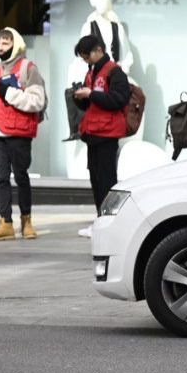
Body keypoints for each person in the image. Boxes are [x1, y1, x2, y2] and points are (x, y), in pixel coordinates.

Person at [0, 27, 47, 241]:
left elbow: (38, 101)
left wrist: (9, 93)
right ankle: (5, 222)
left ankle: (26, 221)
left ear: (15, 45)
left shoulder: (28, 68)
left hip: (19, 132)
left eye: (5, 43)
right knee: (1, 179)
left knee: (21, 177)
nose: (0, 47)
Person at [72, 35, 130, 238]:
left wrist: (91, 94)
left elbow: (118, 99)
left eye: (86, 56)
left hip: (107, 134)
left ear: (98, 50)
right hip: (93, 133)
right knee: (96, 180)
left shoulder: (115, 72)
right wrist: (79, 96)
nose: (85, 60)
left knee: (107, 181)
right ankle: (100, 221)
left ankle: (111, 224)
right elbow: (91, 105)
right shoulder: (92, 70)